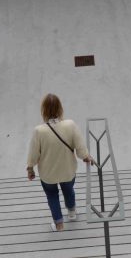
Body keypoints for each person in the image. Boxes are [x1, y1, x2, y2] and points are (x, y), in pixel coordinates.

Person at [26, 94, 93, 232]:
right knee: (69, 191)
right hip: (67, 171)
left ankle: (59, 224)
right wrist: (86, 157)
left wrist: (30, 168)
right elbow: (80, 148)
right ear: (60, 108)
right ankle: (72, 213)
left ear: (43, 110)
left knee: (52, 195)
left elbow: (33, 154)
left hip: (48, 174)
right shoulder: (70, 125)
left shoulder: (39, 131)